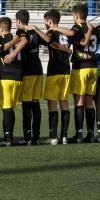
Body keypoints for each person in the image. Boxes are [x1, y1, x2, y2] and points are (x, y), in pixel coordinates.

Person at [49, 4, 99, 143]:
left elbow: (71, 34)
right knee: (89, 102)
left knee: (79, 101)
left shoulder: (77, 27)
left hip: (81, 67)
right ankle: (90, 133)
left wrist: (54, 27)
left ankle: (78, 134)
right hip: (94, 68)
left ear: (76, 16)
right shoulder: (94, 29)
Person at [33, 10, 72, 145]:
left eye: (45, 22)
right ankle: (65, 136)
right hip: (66, 71)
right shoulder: (66, 34)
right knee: (64, 103)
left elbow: (49, 40)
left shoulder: (50, 32)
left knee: (52, 104)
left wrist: (37, 30)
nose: (45, 25)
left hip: (54, 71)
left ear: (50, 21)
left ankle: (53, 136)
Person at [0, 17, 27, 147]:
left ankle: (7, 138)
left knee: (6, 109)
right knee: (11, 108)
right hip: (18, 77)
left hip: (6, 77)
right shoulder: (18, 39)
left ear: (1, 28)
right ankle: (9, 136)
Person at [15, 9, 43, 145]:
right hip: (38, 69)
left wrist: (13, 53)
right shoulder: (34, 31)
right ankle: (36, 137)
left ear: (19, 21)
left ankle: (27, 137)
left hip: (28, 70)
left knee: (26, 105)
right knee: (35, 104)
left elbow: (23, 43)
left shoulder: (21, 32)